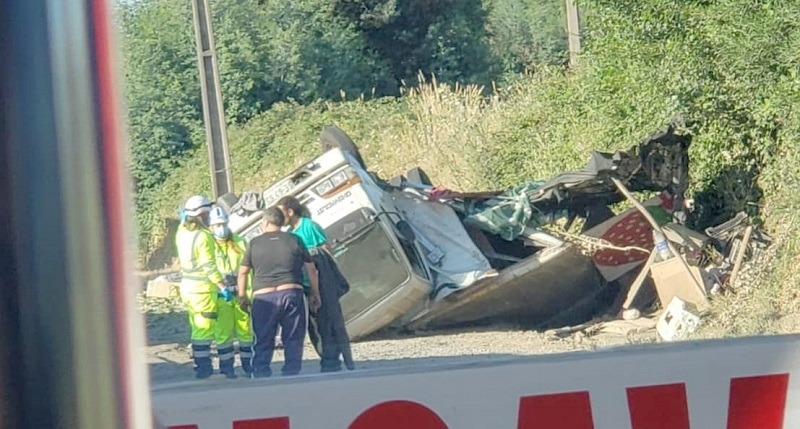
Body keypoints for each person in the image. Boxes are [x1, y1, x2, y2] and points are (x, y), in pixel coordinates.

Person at [237, 207, 321, 378]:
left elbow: (243, 272)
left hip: (263, 296)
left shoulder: (254, 243)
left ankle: (261, 372)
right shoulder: (294, 239)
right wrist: (315, 293)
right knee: (293, 338)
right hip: (291, 292)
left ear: (265, 222)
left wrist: (242, 296)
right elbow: (312, 269)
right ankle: (291, 373)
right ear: (282, 222)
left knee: (262, 338)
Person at [276, 196, 354, 372]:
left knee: (328, 320)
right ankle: (325, 356)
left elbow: (325, 249)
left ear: (290, 211)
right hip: (303, 282)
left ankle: (332, 360)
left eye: (282, 212)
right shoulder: (289, 234)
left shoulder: (309, 226)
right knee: (314, 325)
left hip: (321, 280)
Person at [174, 195, 230, 379]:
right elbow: (209, 266)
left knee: (196, 326)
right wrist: (222, 285)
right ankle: (204, 369)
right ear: (202, 214)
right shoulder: (204, 236)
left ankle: (202, 367)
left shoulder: (182, 230)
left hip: (187, 287)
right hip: (202, 290)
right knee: (203, 330)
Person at [208, 206, 254, 377]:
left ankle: (248, 365)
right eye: (218, 224)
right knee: (223, 333)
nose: (222, 227)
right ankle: (227, 367)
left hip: (241, 295)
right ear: (211, 227)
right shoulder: (209, 245)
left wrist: (248, 294)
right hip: (221, 297)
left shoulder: (240, 241)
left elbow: (249, 268)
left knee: (245, 331)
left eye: (224, 223)